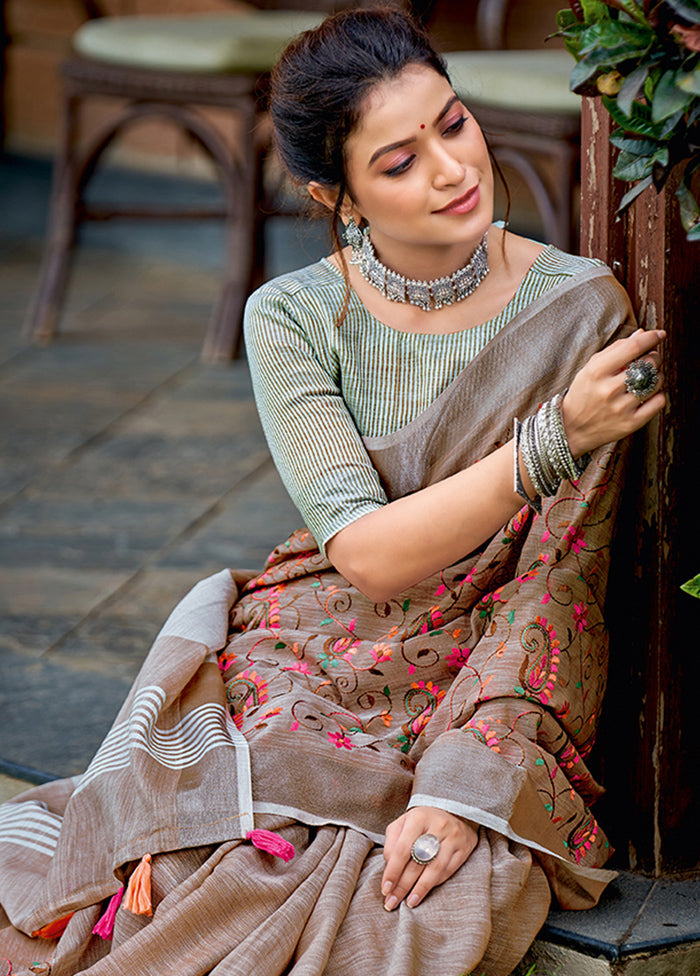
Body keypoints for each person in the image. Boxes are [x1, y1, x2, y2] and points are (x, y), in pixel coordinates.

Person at [0, 7, 666, 976]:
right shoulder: (295, 315)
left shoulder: (580, 309)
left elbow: (559, 577)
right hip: (319, 628)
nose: (450, 168)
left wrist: (462, 780)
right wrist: (550, 439)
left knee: (405, 886)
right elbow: (362, 553)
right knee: (216, 832)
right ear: (335, 193)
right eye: (396, 162)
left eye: (451, 122)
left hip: (481, 656)